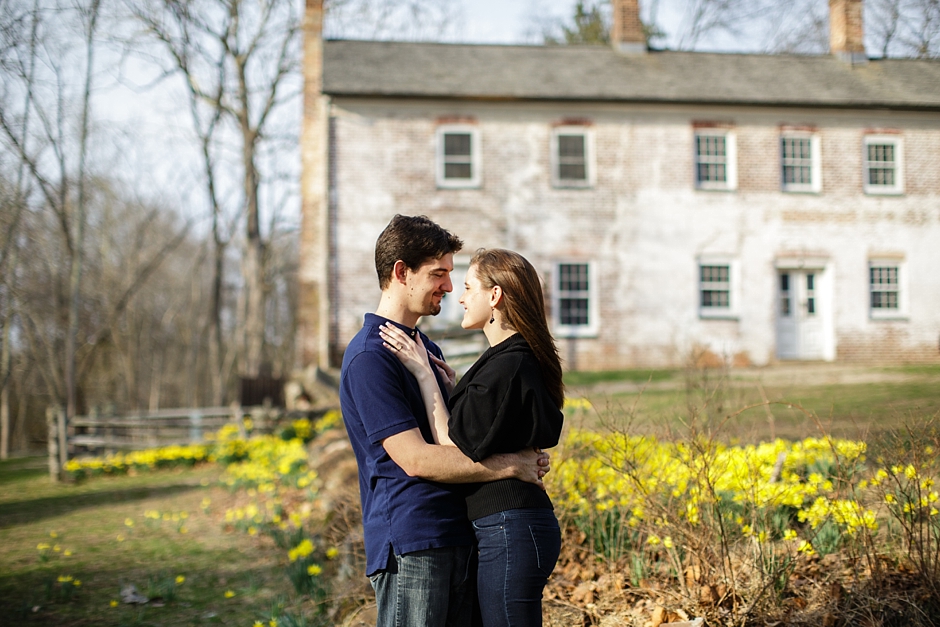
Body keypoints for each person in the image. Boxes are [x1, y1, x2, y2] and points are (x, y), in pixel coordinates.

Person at [340, 216, 550, 627]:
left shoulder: (425, 349)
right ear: (401, 272)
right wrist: (511, 466)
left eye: (452, 275)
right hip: (413, 543)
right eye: (439, 273)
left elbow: (458, 437)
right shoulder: (371, 358)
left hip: (461, 535)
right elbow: (416, 460)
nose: (450, 287)